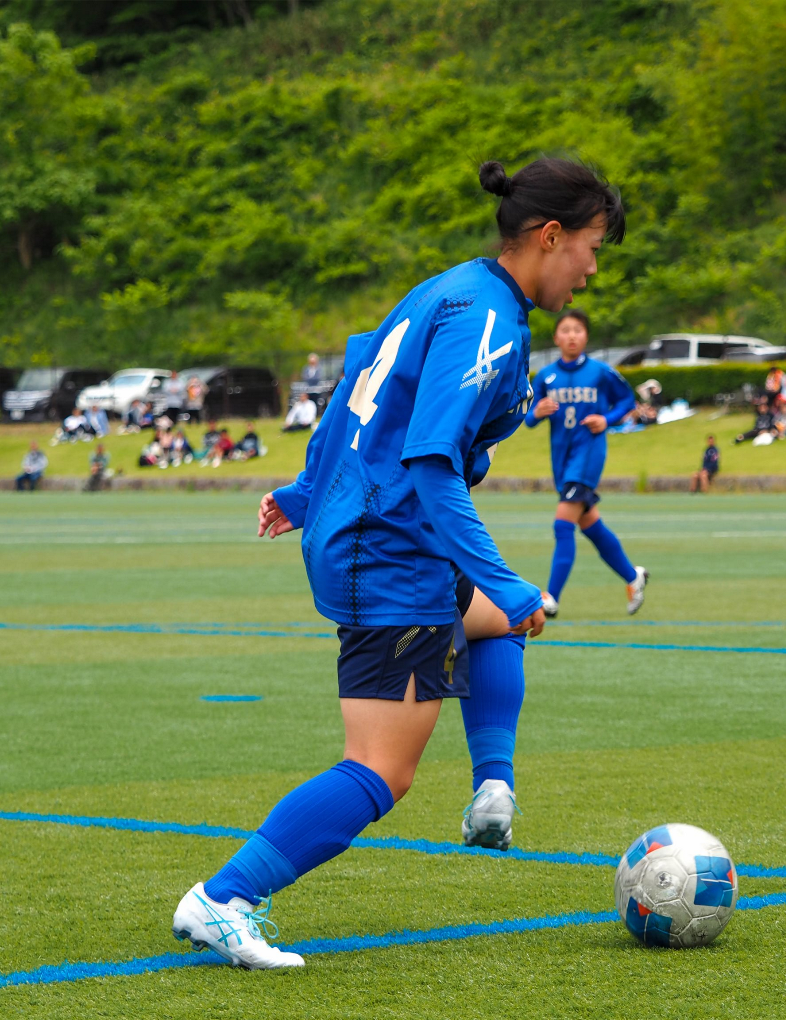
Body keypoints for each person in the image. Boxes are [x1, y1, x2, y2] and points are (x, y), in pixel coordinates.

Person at [172, 156, 624, 969]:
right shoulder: (486, 317)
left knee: (496, 627)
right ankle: (224, 899)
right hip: (387, 545)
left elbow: (358, 383)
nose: (593, 269)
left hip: (377, 527)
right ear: (550, 236)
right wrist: (505, 577)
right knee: (382, 768)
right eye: (591, 247)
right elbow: (428, 460)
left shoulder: (447, 290)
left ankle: (493, 791)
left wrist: (311, 489)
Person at [525, 308, 647, 619]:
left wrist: (606, 419)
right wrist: (537, 412)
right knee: (590, 525)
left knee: (562, 524)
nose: (571, 336)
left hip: (589, 455)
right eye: (565, 330)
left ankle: (551, 597)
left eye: (577, 330)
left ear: (586, 336)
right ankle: (633, 577)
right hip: (562, 462)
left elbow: (627, 401)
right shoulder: (545, 376)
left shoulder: (600, 372)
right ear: (556, 337)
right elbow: (527, 419)